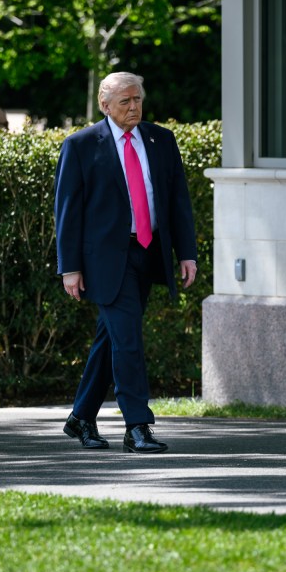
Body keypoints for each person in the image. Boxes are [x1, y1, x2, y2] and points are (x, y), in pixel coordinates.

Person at [54, 72, 198, 454]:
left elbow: (177, 200)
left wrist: (187, 253)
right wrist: (70, 266)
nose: (134, 107)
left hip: (148, 254)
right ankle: (137, 426)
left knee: (112, 339)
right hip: (104, 261)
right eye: (125, 102)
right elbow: (67, 212)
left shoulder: (161, 140)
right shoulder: (81, 145)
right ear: (105, 105)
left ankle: (81, 417)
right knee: (129, 340)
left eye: (137, 100)